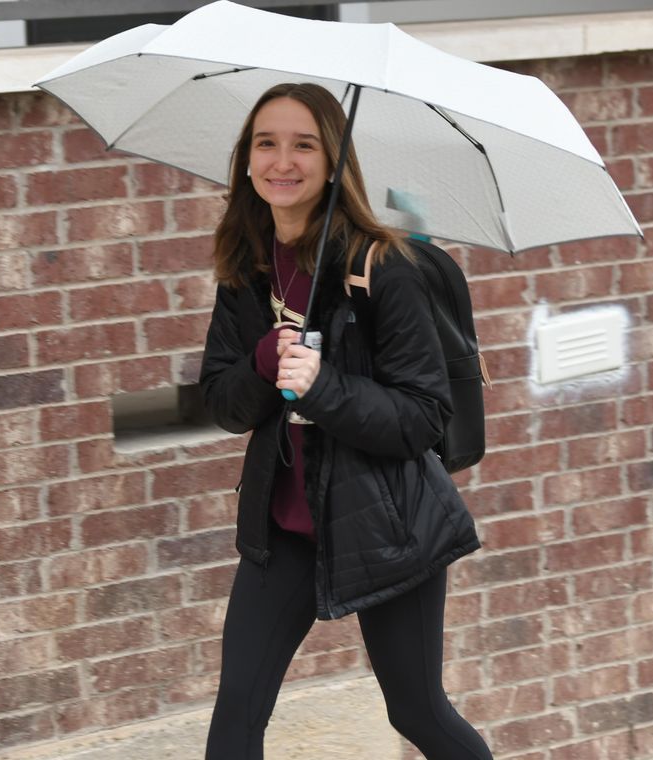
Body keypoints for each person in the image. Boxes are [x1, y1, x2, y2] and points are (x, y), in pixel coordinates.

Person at [199, 82, 492, 760]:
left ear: (333, 162)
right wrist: (267, 360)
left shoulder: (381, 270)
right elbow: (222, 402)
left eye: (305, 144)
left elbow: (423, 417)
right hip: (286, 526)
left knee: (417, 711)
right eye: (267, 143)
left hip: (388, 523)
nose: (283, 160)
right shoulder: (244, 267)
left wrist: (323, 386)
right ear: (246, 160)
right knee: (238, 710)